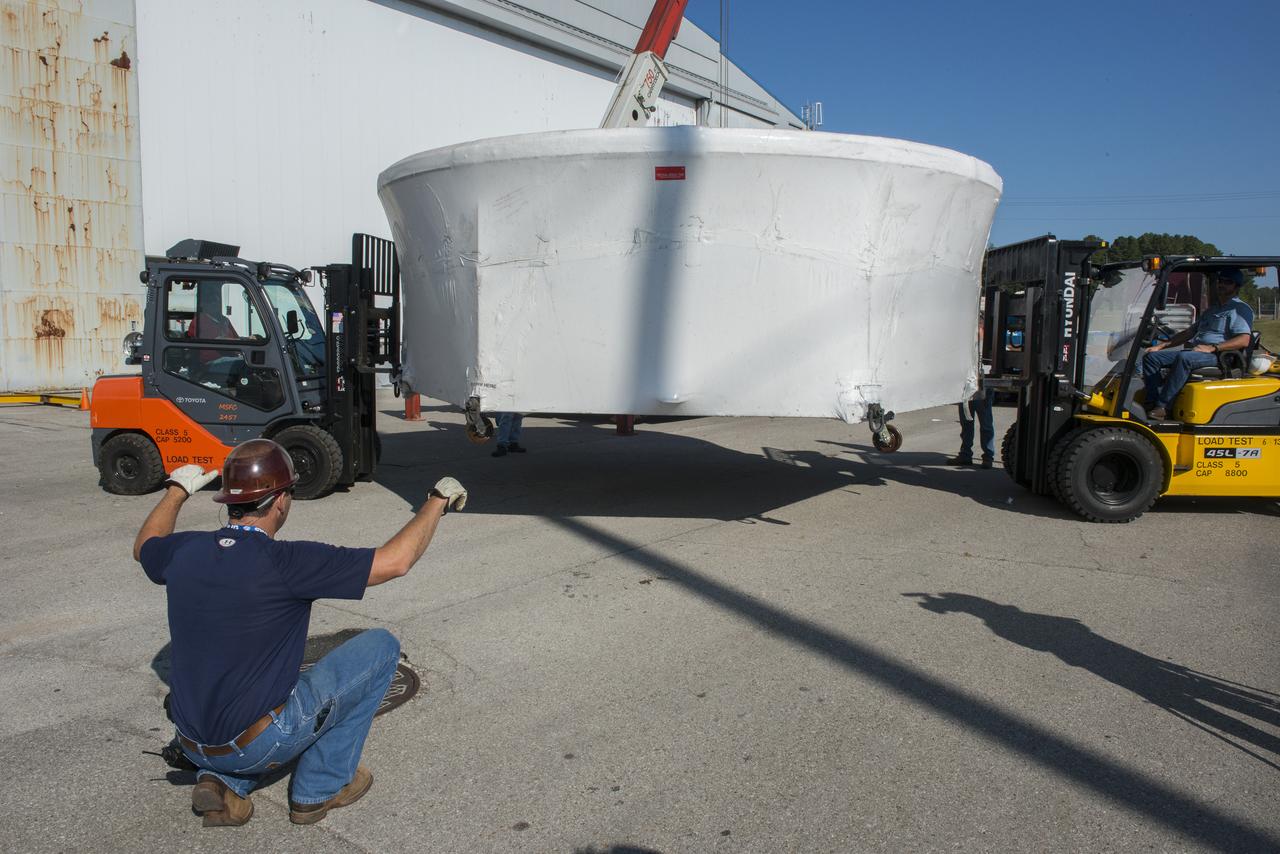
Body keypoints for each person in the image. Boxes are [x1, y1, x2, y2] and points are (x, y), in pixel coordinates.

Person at [134, 439, 468, 827]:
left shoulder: (185, 550)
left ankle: (223, 781)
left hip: (192, 741)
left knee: (244, 689)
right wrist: (437, 501)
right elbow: (395, 562)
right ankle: (319, 789)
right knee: (380, 647)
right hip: (255, 743)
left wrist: (176, 491)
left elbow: (145, 546)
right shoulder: (287, 561)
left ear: (228, 501)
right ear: (280, 501)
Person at [1142, 268, 1254, 421]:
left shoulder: (1239, 309)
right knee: (1152, 358)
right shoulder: (1213, 309)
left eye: (1227, 282)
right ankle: (1151, 402)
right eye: (1220, 281)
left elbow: (1243, 340)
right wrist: (1161, 346)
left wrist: (1212, 348)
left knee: (1185, 357)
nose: (1222, 284)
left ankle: (1163, 406)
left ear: (1236, 286)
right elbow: (1189, 332)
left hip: (1219, 356)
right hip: (1198, 352)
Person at [950, 386, 995, 468]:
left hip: (982, 388)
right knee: (967, 425)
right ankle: (966, 455)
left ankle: (987, 457)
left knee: (985, 425)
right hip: (966, 390)